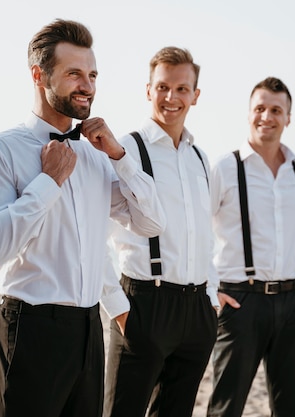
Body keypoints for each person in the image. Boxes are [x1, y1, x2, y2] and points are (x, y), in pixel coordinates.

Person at [0, 19, 165, 417]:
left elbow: (152, 224)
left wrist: (120, 158)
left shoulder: (96, 154)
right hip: (30, 329)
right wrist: (48, 182)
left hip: (89, 329)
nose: (87, 86)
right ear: (39, 75)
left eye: (92, 75)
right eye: (74, 73)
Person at [103, 46, 218, 417]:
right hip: (144, 305)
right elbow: (96, 238)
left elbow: (204, 234)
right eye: (163, 87)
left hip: (196, 311)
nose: (172, 97)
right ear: (148, 90)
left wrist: (211, 299)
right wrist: (119, 309)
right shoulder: (125, 150)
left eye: (182, 89)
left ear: (195, 96)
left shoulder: (200, 158)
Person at [206, 77, 295, 417]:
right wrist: (211, 289)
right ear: (248, 114)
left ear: (288, 117)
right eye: (260, 108)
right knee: (225, 407)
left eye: (276, 110)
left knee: (290, 408)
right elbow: (198, 231)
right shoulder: (224, 167)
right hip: (239, 302)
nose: (267, 116)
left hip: (293, 303)